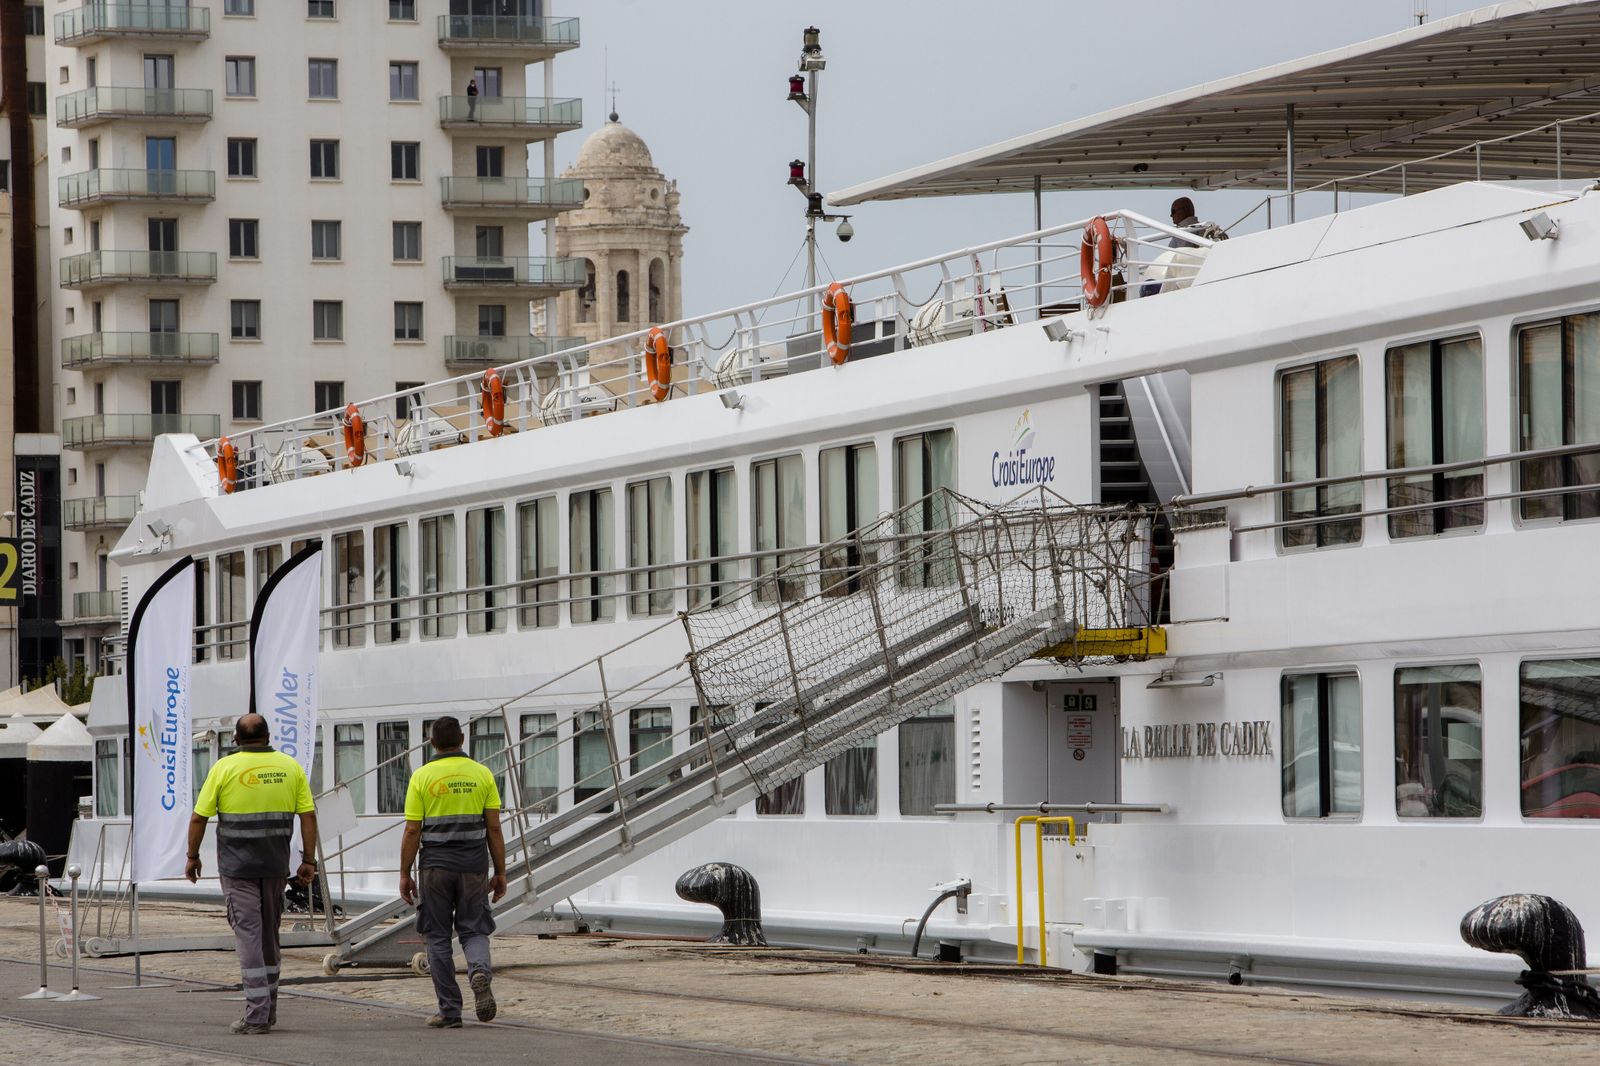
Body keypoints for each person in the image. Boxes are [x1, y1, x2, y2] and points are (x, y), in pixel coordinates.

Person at [186, 714, 317, 1036]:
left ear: (236, 740)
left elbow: (199, 818)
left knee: (248, 936)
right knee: (269, 937)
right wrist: (309, 860)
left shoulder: (223, 769)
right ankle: (268, 1009)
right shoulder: (290, 767)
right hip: (275, 867)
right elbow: (308, 816)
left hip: (237, 869)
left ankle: (257, 1016)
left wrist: (192, 857)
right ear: (269, 736)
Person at [399, 716, 508, 1028]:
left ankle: (449, 1011)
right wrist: (500, 872)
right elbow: (494, 828)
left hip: (434, 868)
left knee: (437, 936)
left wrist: (405, 873)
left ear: (432, 743)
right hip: (473, 867)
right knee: (474, 929)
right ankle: (479, 971)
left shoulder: (422, 776)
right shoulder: (482, 774)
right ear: (462, 739)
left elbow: (411, 831)